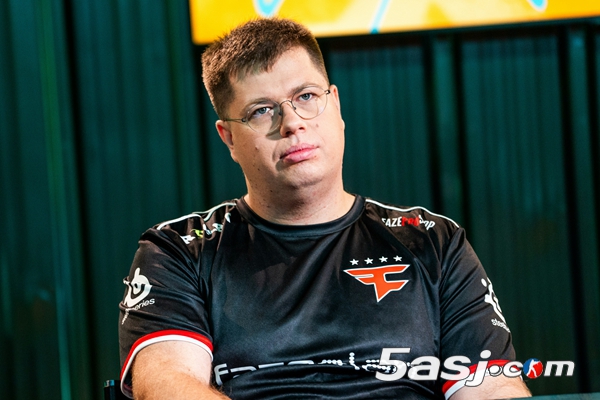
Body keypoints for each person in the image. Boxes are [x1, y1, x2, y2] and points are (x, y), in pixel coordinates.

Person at [118, 18, 531, 399]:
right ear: (228, 138)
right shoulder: (179, 250)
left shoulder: (433, 242)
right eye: (261, 110)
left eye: (306, 96)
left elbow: (492, 388)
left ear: (335, 105)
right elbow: (168, 384)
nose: (292, 123)